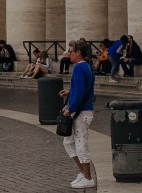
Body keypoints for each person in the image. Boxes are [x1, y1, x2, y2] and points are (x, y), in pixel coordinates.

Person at [59, 40, 96, 189]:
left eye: (71, 51)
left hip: (81, 111)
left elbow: (81, 91)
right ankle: (83, 173)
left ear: (78, 53)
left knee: (81, 144)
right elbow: (82, 88)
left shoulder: (79, 68)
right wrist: (70, 92)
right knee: (68, 142)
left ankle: (88, 177)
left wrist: (70, 108)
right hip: (82, 110)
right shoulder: (85, 66)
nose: (69, 54)